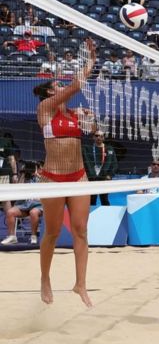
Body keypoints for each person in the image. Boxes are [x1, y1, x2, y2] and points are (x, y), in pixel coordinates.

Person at [34, 39, 97, 307]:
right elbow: (75, 86)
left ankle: (80, 284)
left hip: (78, 176)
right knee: (52, 232)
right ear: (49, 94)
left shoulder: (73, 113)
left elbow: (92, 132)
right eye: (56, 87)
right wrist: (90, 62)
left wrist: (90, 121)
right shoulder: (45, 110)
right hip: (53, 178)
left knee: (81, 231)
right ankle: (45, 278)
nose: (60, 88)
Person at [2, 172, 42, 246]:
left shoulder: (44, 176)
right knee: (10, 212)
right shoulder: (25, 176)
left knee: (33, 213)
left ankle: (34, 236)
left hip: (39, 205)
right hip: (25, 205)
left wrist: (39, 176)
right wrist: (23, 174)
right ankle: (12, 237)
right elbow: (17, 188)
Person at [82, 129, 118, 205]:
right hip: (92, 178)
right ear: (93, 137)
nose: (99, 138)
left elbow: (114, 164)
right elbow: (84, 163)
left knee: (105, 200)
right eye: (97, 136)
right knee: (91, 200)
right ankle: (90, 216)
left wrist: (110, 175)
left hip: (104, 178)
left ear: (104, 138)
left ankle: (107, 216)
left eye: (101, 136)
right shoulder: (87, 149)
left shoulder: (109, 149)